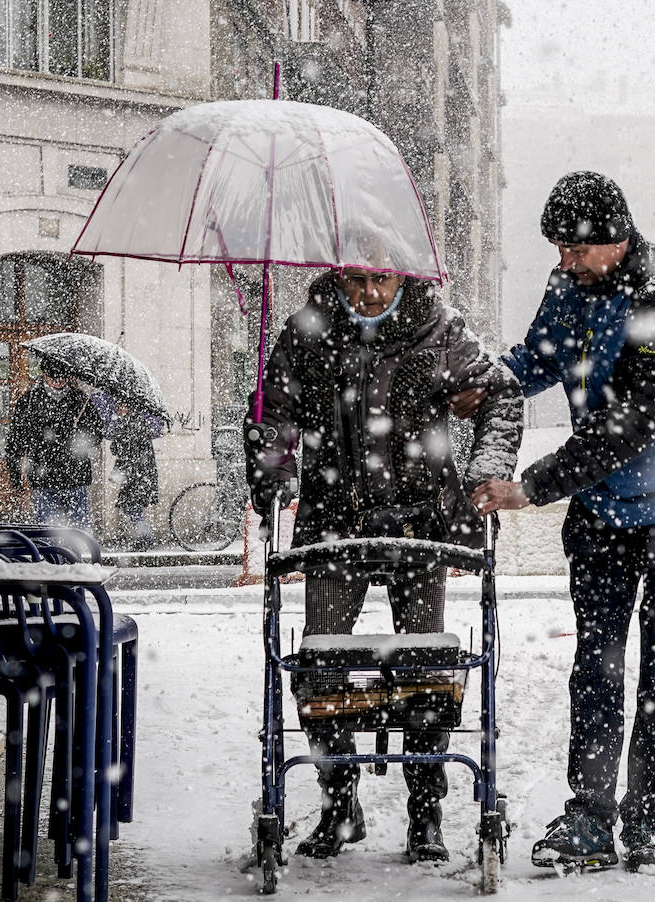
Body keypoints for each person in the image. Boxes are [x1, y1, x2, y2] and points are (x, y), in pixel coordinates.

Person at [467, 171, 655, 872]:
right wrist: (485, 381)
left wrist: (534, 486)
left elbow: (635, 418)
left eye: (575, 250)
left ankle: (646, 824)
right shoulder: (570, 287)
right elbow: (541, 357)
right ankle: (589, 818)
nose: (563, 261)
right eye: (556, 249)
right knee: (597, 665)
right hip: (604, 510)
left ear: (614, 238)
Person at [247, 250, 523, 864]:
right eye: (356, 278)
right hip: (332, 522)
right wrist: (272, 468)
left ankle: (426, 813)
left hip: (420, 523)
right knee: (319, 663)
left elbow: (503, 395)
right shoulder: (305, 330)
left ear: (403, 276)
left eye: (380, 278)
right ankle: (339, 804)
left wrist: (486, 472)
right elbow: (272, 415)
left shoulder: (440, 330)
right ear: (337, 275)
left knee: (427, 664)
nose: (368, 292)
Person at [5, 355, 105, 532]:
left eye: (62, 378)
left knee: (79, 532)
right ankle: (53, 559)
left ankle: (79, 559)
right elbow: (16, 440)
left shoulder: (80, 400)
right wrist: (15, 476)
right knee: (48, 532)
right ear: (44, 375)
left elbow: (97, 434)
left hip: (75, 475)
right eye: (53, 378)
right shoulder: (29, 401)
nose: (58, 382)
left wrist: (80, 436)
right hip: (43, 477)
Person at [96, 394, 166, 549]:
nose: (120, 409)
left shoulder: (132, 423)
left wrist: (118, 434)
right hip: (137, 474)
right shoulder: (133, 422)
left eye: (123, 406)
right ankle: (144, 538)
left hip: (137, 474)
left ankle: (146, 538)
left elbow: (121, 450)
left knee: (132, 507)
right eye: (119, 406)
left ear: (130, 407)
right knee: (132, 507)